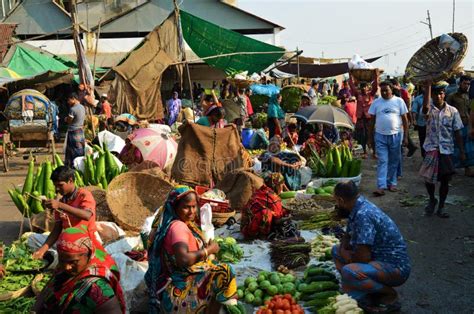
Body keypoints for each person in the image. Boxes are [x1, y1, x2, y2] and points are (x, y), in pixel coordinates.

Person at [145, 186, 237, 313]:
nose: (192, 211)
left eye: (194, 206)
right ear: (175, 207)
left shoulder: (175, 223)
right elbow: (183, 259)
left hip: (168, 289)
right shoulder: (178, 227)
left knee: (214, 267)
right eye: (186, 207)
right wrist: (209, 250)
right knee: (225, 272)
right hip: (178, 296)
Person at [331, 181, 410, 313]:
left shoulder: (364, 215)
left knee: (349, 271)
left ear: (341, 200)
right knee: (335, 250)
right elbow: (347, 236)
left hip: (395, 268)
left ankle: (389, 294)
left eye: (336, 201)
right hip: (375, 259)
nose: (336, 205)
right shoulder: (357, 206)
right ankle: (365, 290)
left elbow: (363, 258)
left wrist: (346, 256)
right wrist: (343, 249)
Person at [34, 225, 125, 313]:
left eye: (73, 262)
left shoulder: (97, 287)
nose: (67, 267)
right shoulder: (63, 269)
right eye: (62, 260)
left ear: (89, 255)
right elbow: (47, 290)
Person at [33, 166, 102, 259]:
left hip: (86, 239)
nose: (57, 189)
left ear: (70, 181)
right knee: (31, 239)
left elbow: (87, 215)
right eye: (55, 185)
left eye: (60, 185)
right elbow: (57, 229)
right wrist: (42, 250)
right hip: (68, 238)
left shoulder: (84, 195)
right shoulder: (61, 200)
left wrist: (60, 205)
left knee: (65, 260)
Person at [419, 81, 465, 218]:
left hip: (446, 150)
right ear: (431, 95)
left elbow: (457, 132)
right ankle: (432, 198)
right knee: (429, 179)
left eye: (441, 93)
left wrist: (462, 151)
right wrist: (427, 85)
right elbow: (425, 108)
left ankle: (441, 206)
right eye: (435, 94)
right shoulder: (428, 110)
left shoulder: (452, 111)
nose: (438, 96)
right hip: (431, 148)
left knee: (445, 180)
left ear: (444, 94)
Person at [368, 81, 409, 196]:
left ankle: (392, 183)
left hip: (396, 135)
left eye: (386, 90)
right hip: (380, 135)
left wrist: (406, 136)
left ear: (391, 90)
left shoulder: (399, 101)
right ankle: (381, 186)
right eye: (382, 91)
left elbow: (405, 120)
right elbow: (372, 122)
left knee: (393, 160)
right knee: (382, 160)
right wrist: (370, 138)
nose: (384, 93)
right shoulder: (376, 103)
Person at [241, 173, 287, 239]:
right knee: (266, 213)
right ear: (276, 185)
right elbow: (277, 220)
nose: (282, 187)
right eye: (281, 184)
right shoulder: (274, 198)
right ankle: (261, 234)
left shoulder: (260, 191)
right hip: (252, 232)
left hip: (244, 226)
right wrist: (290, 217)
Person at [446, 75, 474, 176]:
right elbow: (447, 110)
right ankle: (452, 167)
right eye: (465, 83)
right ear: (460, 83)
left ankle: (467, 168)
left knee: (468, 148)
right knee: (457, 147)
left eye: (468, 84)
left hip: (468, 124)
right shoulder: (452, 96)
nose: (466, 86)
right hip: (456, 126)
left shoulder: (470, 96)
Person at [349, 70, 380, 158]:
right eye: (362, 87)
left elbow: (375, 87)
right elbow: (352, 86)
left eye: (365, 87)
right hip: (360, 118)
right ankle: (364, 152)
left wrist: (376, 77)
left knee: (371, 135)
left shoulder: (371, 95)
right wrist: (350, 75)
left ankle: (374, 152)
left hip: (369, 118)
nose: (363, 89)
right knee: (362, 136)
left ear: (368, 87)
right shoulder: (357, 94)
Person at [64, 93, 86, 168]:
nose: (68, 102)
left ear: (73, 98)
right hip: (80, 130)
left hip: (73, 131)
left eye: (69, 100)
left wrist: (66, 119)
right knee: (80, 149)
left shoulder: (73, 109)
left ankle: (74, 166)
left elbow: (69, 120)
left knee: (74, 150)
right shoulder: (82, 107)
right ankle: (79, 165)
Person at [411, 92, 427, 158]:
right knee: (423, 141)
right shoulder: (418, 98)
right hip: (421, 123)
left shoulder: (434, 96)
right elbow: (414, 110)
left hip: (432, 124)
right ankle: (424, 157)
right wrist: (414, 119)